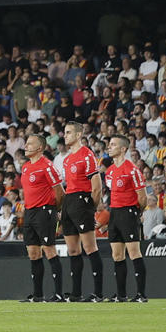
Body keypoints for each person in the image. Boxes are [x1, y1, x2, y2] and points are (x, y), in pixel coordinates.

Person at [58, 121, 105, 302]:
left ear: (79, 135)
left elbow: (97, 186)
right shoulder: (67, 159)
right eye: (65, 132)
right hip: (69, 201)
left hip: (82, 200)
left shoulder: (87, 155)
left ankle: (98, 293)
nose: (65, 135)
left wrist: (90, 207)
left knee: (90, 247)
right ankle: (76, 293)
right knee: (73, 250)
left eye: (69, 132)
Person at [102, 134, 149, 303]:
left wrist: (137, 212)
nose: (109, 147)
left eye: (113, 144)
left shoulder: (132, 169)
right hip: (114, 213)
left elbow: (143, 197)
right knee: (117, 254)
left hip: (129, 212)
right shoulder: (109, 171)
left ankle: (141, 294)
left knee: (134, 252)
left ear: (123, 149)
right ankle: (121, 294)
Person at [19, 132, 61, 302]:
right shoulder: (26, 167)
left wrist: (54, 210)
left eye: (30, 143)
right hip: (29, 212)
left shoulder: (47, 166)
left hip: (45, 211)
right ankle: (37, 295)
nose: (26, 146)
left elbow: (60, 192)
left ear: (40, 148)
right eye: (26, 143)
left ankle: (58, 294)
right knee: (33, 253)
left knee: (49, 250)